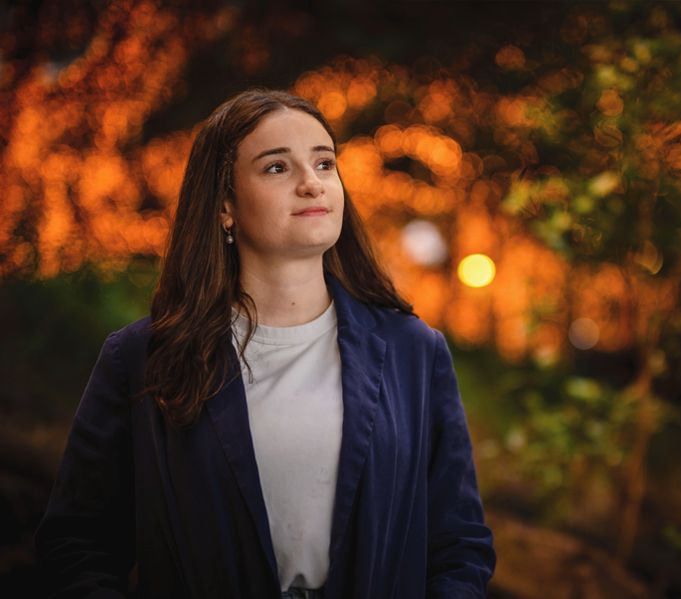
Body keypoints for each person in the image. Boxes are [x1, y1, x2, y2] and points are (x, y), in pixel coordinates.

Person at [34, 87, 496, 598]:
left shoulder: (413, 351)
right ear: (225, 204)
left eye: (324, 164)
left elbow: (459, 544)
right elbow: (77, 544)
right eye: (277, 168)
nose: (311, 185)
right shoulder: (143, 358)